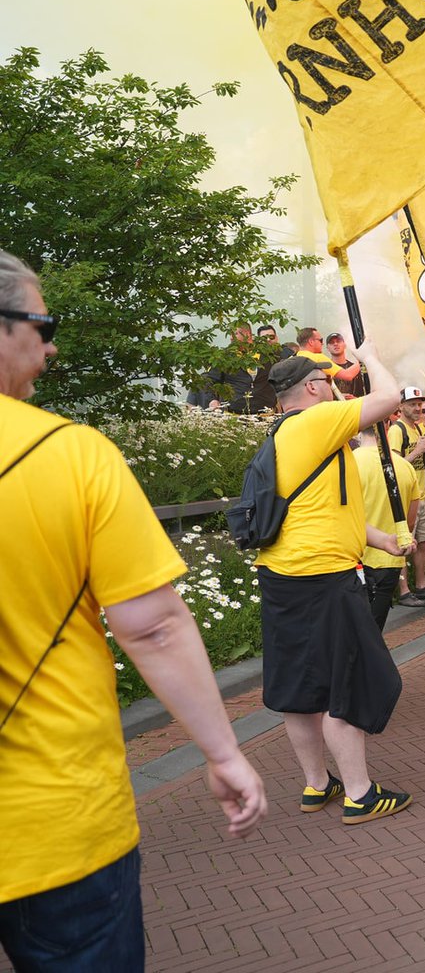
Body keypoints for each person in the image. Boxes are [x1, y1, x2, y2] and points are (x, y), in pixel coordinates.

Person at [0, 250, 267, 971]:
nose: (51, 345)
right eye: (42, 322)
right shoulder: (71, 455)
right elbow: (153, 623)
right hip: (57, 819)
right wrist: (222, 753)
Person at [255, 345, 416, 824]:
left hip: (284, 575)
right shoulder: (315, 421)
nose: (337, 387)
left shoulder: (283, 434)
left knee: (298, 688)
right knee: (345, 681)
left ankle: (317, 784)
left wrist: (379, 538)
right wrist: (372, 355)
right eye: (328, 381)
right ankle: (361, 794)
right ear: (310, 388)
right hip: (323, 579)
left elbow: (317, 510)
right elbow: (389, 397)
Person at [355, 427, 424, 632]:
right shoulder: (404, 467)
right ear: (385, 430)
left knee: (354, 633)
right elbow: (410, 523)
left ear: (358, 433)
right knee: (374, 631)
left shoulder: (349, 463)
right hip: (390, 560)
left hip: (356, 559)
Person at [387, 386, 425, 607]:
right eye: (412, 404)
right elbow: (393, 466)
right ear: (401, 406)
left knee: (423, 541)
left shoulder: (418, 430)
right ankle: (404, 591)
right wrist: (417, 452)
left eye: (419, 404)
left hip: (421, 495)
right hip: (406, 498)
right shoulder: (397, 430)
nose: (417, 408)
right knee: (404, 542)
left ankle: (421, 586)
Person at [325, 332, 369, 397]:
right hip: (333, 406)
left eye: (338, 341)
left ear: (345, 345)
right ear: (327, 348)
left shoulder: (355, 369)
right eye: (332, 342)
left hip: (354, 405)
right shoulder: (325, 369)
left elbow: (363, 393)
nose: (335, 344)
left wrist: (355, 399)